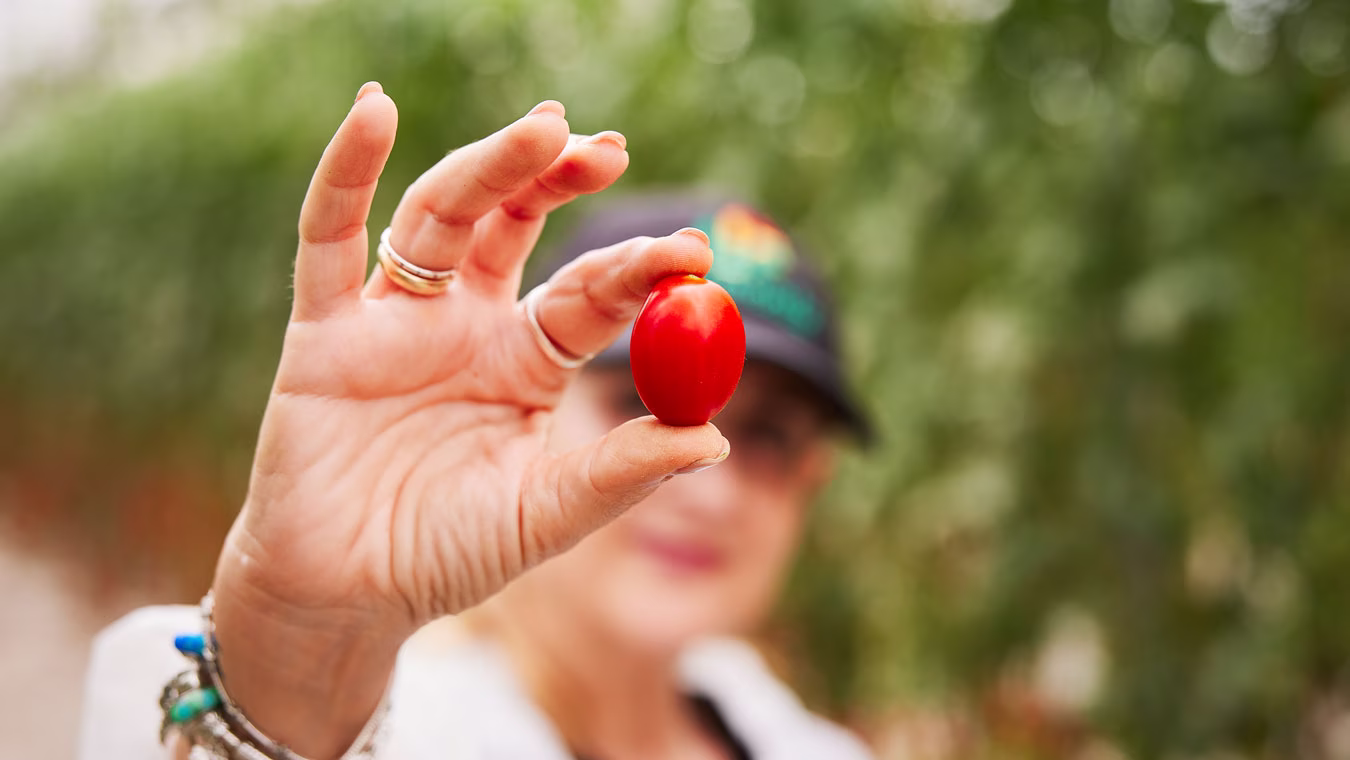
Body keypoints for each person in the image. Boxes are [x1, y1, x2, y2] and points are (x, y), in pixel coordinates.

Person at [78, 83, 873, 760]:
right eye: (641, 397)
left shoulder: (812, 745)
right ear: (530, 404)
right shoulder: (396, 732)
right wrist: (295, 663)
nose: (707, 479)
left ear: (812, 483)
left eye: (770, 436)